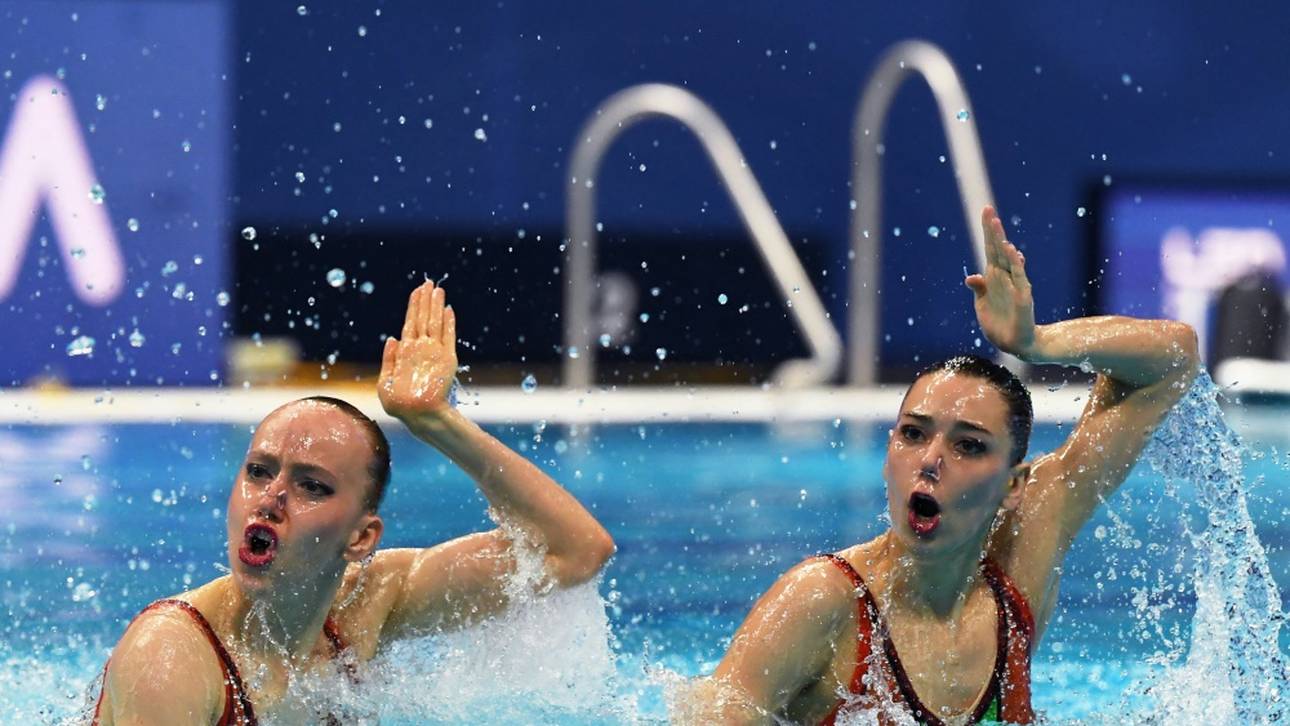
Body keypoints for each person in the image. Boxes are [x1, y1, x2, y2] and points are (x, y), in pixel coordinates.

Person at [690, 206, 1199, 725]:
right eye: (913, 433)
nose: (931, 460)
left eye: (969, 446)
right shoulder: (823, 601)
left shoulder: (1021, 561)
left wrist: (1037, 343)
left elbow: (1173, 358)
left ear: (1013, 485)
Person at [90, 280, 616, 725]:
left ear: (361, 538)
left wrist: (436, 422)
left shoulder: (367, 607)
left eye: (311, 485)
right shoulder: (173, 659)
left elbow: (574, 552)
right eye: (258, 472)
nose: (271, 499)